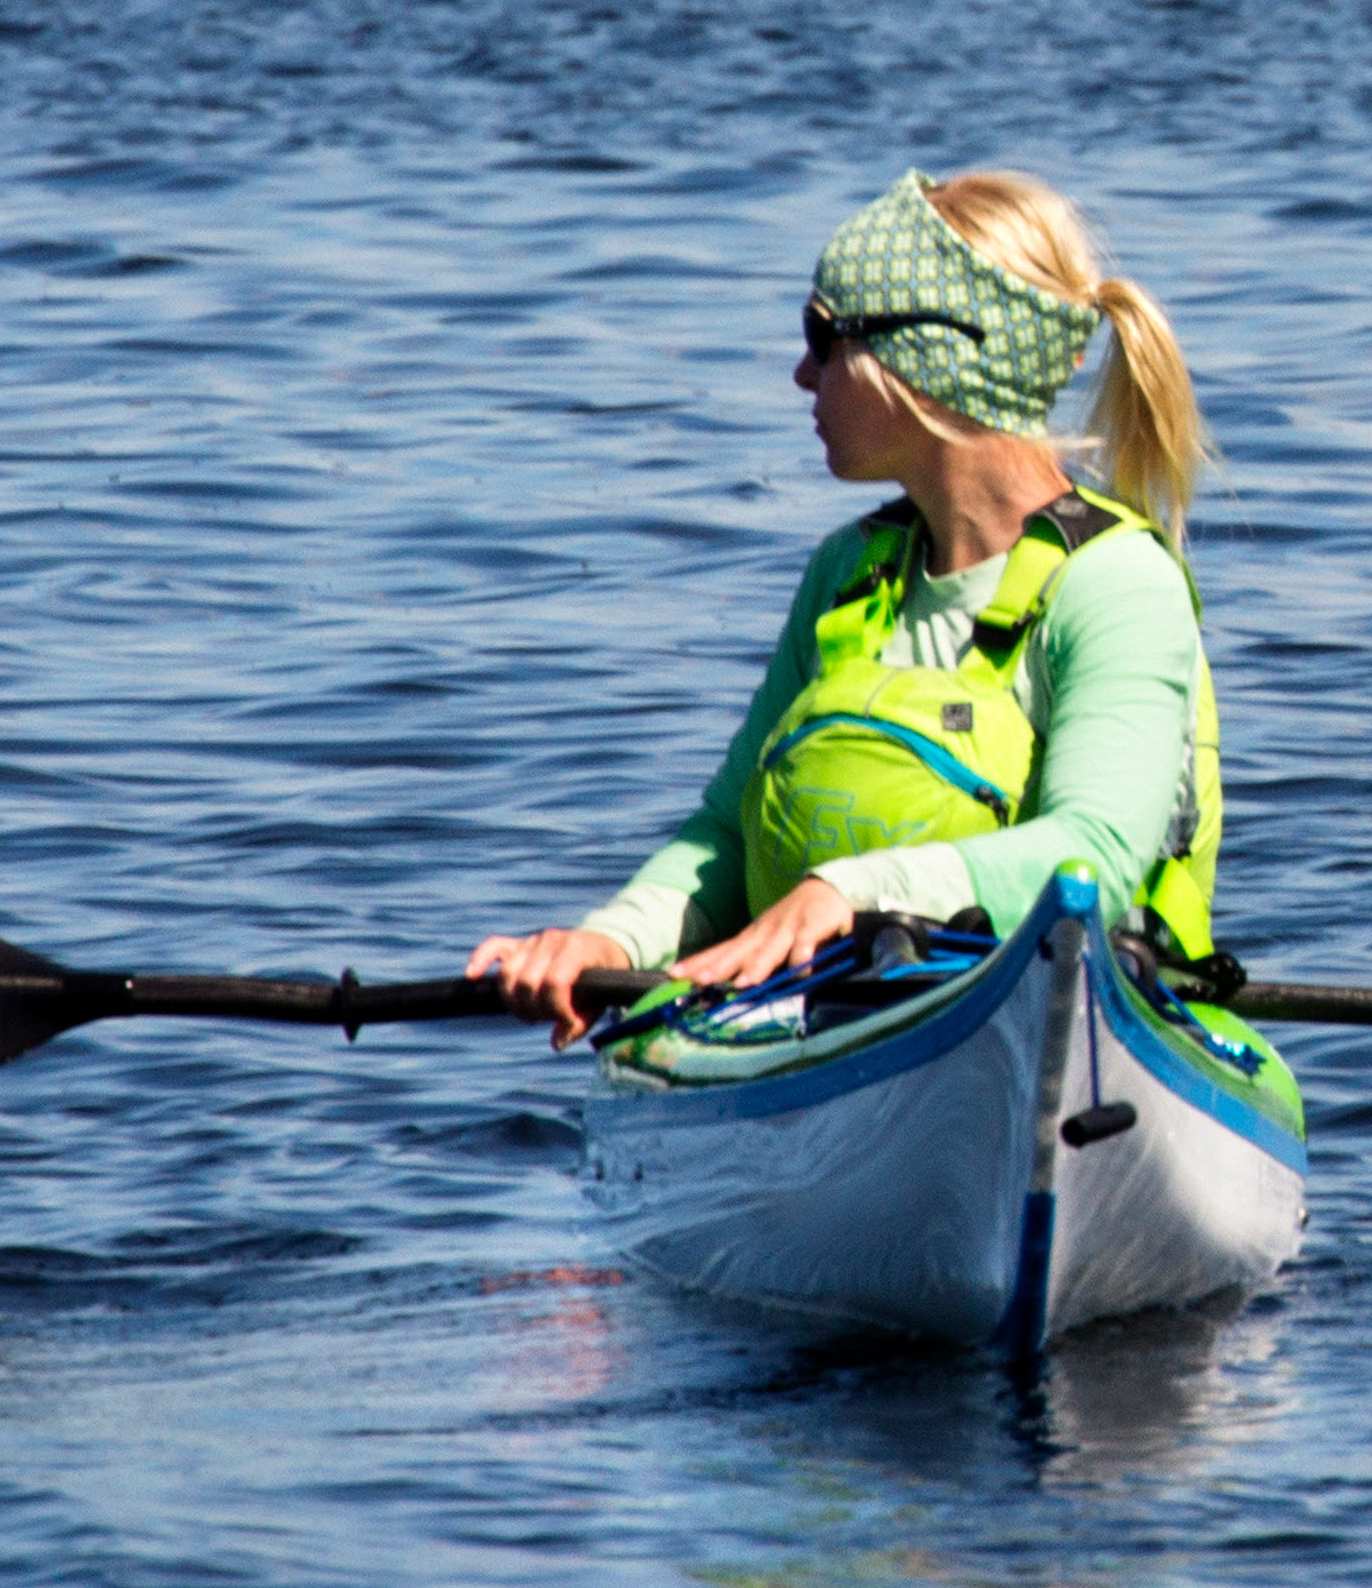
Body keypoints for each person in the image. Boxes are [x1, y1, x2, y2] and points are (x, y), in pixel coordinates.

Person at [469, 168, 1222, 1045]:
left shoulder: (1115, 583)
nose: (799, 374)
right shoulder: (846, 574)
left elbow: (1093, 854)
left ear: (926, 356)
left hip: (1060, 1019)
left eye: (822, 338)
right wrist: (609, 938)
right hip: (828, 1018)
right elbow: (725, 834)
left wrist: (849, 891)